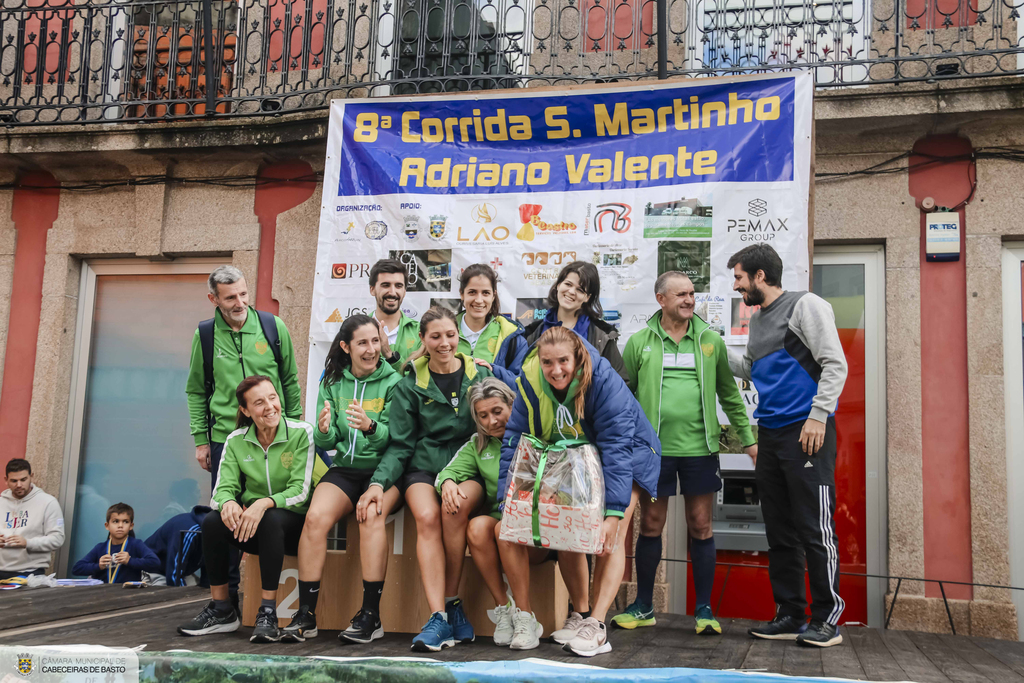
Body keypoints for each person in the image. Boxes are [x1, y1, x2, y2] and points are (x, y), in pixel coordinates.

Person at [497, 326, 661, 657]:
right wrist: (508, 497)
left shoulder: (602, 379)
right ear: (538, 360)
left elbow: (617, 446)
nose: (556, 370)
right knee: (566, 527)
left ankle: (598, 626)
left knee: (609, 536)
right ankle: (581, 614)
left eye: (563, 361)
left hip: (628, 453)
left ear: (577, 357)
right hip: (574, 457)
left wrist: (613, 512)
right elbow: (515, 438)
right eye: (547, 362)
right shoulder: (528, 379)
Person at [617, 272, 757, 635]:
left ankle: (704, 610)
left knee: (701, 526)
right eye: (681, 294)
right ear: (661, 299)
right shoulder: (639, 342)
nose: (689, 300)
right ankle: (644, 606)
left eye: (692, 294)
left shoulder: (710, 341)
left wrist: (748, 440)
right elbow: (623, 396)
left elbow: (729, 395)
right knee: (650, 525)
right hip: (654, 452)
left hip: (700, 449)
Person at [727, 243, 848, 648]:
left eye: (740, 278)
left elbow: (834, 363)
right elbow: (752, 367)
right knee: (779, 531)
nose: (737, 286)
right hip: (772, 433)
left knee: (814, 529)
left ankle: (827, 619)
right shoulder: (758, 319)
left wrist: (818, 415)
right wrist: (709, 346)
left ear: (761, 276)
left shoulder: (805, 305)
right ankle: (792, 614)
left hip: (807, 430)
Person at [359, 306, 493, 652]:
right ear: (422, 340)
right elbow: (401, 446)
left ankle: (451, 602)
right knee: (427, 515)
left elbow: (500, 419)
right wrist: (377, 483)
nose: (444, 343)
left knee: (454, 507)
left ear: (458, 337)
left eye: (450, 335)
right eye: (435, 336)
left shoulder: (479, 376)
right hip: (422, 468)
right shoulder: (408, 386)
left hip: (468, 468)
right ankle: (439, 617)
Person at [281, 315, 402, 645]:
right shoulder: (333, 382)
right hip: (347, 468)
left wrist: (370, 427)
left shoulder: (394, 382)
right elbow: (327, 442)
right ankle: (306, 614)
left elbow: (397, 442)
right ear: (346, 347)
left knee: (370, 515)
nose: (371, 349)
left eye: (375, 341)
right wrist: (323, 430)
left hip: (386, 471)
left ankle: (371, 616)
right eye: (363, 343)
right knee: (315, 518)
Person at [177, 375, 317, 644]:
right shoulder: (236, 440)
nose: (270, 407)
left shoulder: (301, 432)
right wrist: (229, 503)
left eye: (272, 398)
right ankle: (222, 610)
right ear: (245, 410)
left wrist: (263, 503)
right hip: (256, 529)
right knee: (212, 522)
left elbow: (301, 490)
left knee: (271, 518)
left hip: (295, 528)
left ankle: (268, 613)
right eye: (259, 402)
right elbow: (221, 491)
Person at [435, 378, 551, 650]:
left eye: (497, 412)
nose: (491, 421)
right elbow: (446, 472)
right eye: (483, 415)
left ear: (513, 404)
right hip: (501, 531)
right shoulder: (479, 444)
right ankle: (504, 609)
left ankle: (526, 616)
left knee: (503, 529)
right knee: (477, 527)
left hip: (537, 534)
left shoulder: (534, 436)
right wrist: (448, 483)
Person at [523, 261, 626, 382]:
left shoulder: (603, 336)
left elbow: (620, 383)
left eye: (580, 290)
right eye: (568, 284)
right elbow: (520, 379)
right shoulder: (531, 334)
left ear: (587, 297)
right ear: (558, 285)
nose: (571, 292)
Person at [455, 264, 527, 385]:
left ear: (493, 295)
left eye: (485, 293)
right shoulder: (442, 333)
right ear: (462, 294)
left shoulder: (513, 339)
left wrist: (493, 370)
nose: (479, 300)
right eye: (472, 292)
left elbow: (523, 386)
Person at [0, 459, 65, 580]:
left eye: (23, 479)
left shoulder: (48, 502)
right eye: (14, 481)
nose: (19, 485)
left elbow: (58, 539)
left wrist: (28, 543)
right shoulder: (1, 502)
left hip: (30, 573)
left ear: (31, 477)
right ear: (6, 480)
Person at [72, 503, 161, 583]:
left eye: (125, 522)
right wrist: (98, 566)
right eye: (115, 521)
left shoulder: (136, 544)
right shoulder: (100, 548)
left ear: (131, 526)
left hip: (129, 595)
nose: (120, 526)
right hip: (101, 594)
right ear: (107, 526)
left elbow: (155, 563)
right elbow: (76, 569)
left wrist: (130, 561)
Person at [370, 259, 421, 368]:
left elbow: (419, 379)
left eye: (398, 286)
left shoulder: (420, 333)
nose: (392, 292)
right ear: (372, 289)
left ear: (404, 291)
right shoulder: (355, 329)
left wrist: (390, 355)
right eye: (385, 285)